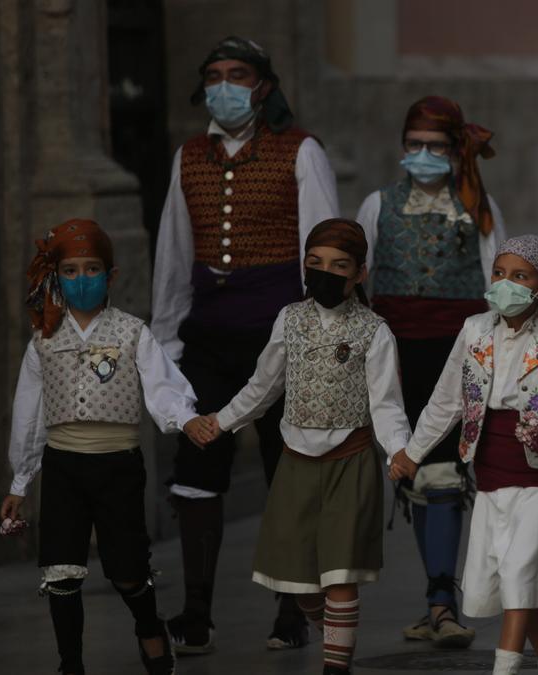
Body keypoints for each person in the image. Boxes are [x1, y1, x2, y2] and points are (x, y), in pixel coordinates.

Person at [151, 36, 340, 655]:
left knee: (290, 469)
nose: (224, 85)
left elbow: (325, 245)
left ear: (262, 85)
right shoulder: (187, 159)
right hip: (209, 336)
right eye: (213, 75)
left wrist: (322, 335)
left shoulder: (300, 150)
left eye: (237, 74)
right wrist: (167, 342)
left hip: (279, 335)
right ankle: (196, 613)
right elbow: (175, 258)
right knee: (198, 466)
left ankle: (291, 610)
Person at [388, 235, 538, 675]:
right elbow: (446, 401)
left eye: (519, 276)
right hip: (489, 473)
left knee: (520, 574)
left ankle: (503, 668)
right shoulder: (474, 330)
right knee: (514, 580)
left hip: (536, 473)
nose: (504, 283)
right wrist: (412, 453)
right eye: (499, 273)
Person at [199, 219, 411, 675]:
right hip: (296, 464)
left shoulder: (374, 331)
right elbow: (263, 386)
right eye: (315, 264)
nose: (325, 273)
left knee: (340, 577)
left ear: (359, 273)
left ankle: (335, 667)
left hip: (350, 463)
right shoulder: (289, 319)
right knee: (299, 584)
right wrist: (221, 422)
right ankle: (334, 638)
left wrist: (399, 453)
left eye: (339, 265)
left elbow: (387, 404)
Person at [0, 219, 208, 675]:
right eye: (70, 270)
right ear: (56, 276)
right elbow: (29, 414)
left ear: (110, 275)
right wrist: (20, 481)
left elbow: (163, 388)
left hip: (117, 467)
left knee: (127, 568)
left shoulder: (134, 333)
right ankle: (70, 664)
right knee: (61, 570)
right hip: (62, 468)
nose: (81, 279)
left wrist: (187, 419)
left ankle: (149, 625)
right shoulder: (43, 340)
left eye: (91, 268)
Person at [354, 95, 506, 648]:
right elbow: (357, 274)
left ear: (456, 150)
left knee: (443, 473)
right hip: (397, 356)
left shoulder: (477, 208)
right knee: (415, 470)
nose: (423, 154)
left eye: (436, 146)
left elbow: (500, 284)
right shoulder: (378, 204)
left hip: (458, 355)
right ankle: (437, 600)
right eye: (413, 144)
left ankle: (442, 600)